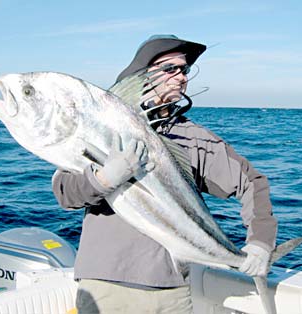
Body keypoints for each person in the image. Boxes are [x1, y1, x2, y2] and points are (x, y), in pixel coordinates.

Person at [52, 34, 278, 313]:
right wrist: (103, 180)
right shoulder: (102, 124)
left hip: (170, 291)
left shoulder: (193, 139)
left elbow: (252, 182)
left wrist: (259, 243)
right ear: (143, 74)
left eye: (184, 70)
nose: (181, 77)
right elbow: (64, 193)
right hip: (105, 284)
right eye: (170, 69)